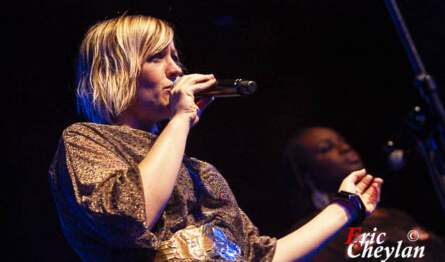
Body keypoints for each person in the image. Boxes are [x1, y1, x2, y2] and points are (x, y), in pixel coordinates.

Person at [48, 15, 383, 262]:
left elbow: (260, 257)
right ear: (115, 72)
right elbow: (130, 215)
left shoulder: (201, 173)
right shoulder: (87, 140)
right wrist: (181, 119)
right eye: (156, 57)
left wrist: (347, 206)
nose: (176, 70)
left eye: (175, 57)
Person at [280, 126, 445, 261]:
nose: (345, 147)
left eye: (342, 141)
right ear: (307, 174)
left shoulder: (396, 216)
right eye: (326, 148)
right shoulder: (310, 233)